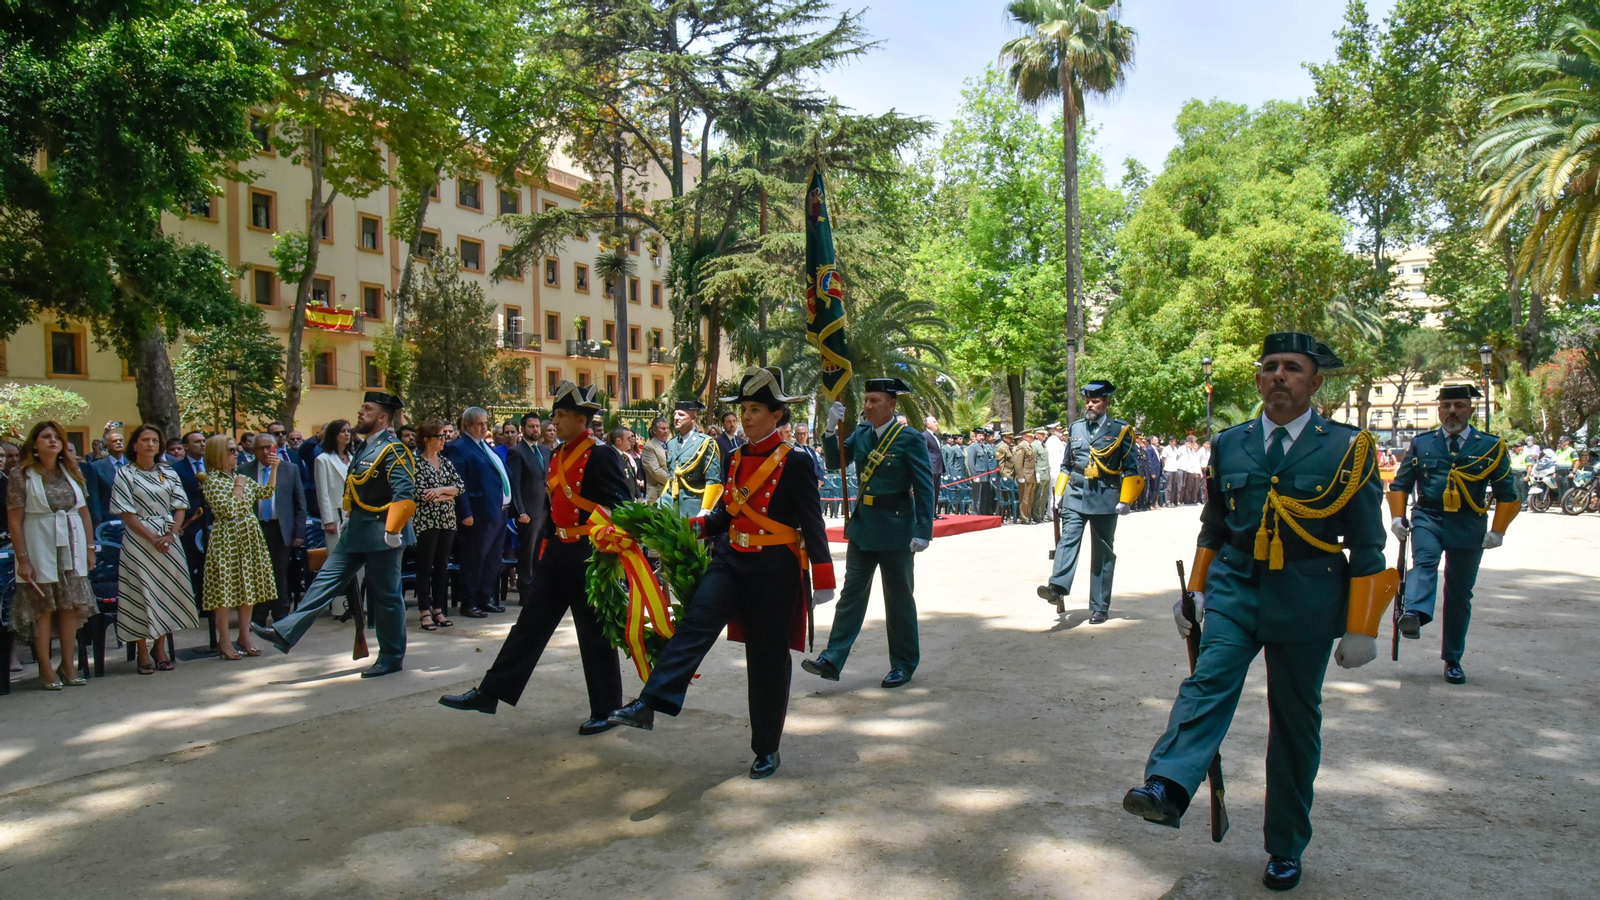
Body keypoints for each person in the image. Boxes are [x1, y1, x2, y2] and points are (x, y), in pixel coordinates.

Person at [1123, 332, 1390, 892]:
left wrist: (1362, 627)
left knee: (1294, 721)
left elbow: (1368, 542)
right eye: (1270, 366)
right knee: (1208, 682)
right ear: (1258, 378)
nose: (1279, 376)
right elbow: (1215, 526)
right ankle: (1167, 785)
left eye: (1292, 367)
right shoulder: (1230, 444)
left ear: (1315, 382)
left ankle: (1286, 845)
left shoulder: (1348, 448)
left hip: (1309, 595)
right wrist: (1196, 591)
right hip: (1237, 587)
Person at [609, 367, 835, 778]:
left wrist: (823, 575)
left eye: (755, 409)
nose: (746, 416)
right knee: (695, 625)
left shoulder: (797, 461)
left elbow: (811, 520)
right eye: (744, 408)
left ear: (776, 415)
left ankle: (766, 748)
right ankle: (650, 703)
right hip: (730, 559)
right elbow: (726, 513)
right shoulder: (735, 456)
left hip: (774, 568)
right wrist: (684, 527)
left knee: (766, 658)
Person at [438, 382, 629, 731]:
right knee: (529, 625)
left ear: (581, 419)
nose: (553, 421)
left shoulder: (601, 455)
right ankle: (491, 693)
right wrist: (545, 544)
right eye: (554, 414)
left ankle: (607, 709)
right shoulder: (556, 454)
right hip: (557, 551)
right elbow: (552, 506)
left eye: (561, 415)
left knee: (593, 633)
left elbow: (621, 506)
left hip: (588, 553)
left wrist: (607, 546)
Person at [252, 392, 417, 678]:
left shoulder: (393, 449)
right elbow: (354, 487)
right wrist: (348, 517)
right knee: (325, 580)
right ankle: (285, 631)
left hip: (382, 533)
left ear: (382, 417)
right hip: (357, 530)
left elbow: (404, 491)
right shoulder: (364, 447)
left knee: (386, 597)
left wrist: (393, 530)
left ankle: (391, 657)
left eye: (367, 409)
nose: (361, 412)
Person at [804, 377, 934, 688]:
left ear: (892, 404)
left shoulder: (909, 438)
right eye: (867, 400)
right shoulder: (862, 432)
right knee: (851, 595)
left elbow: (924, 485)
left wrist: (923, 531)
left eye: (875, 401)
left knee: (899, 599)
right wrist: (830, 431)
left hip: (896, 529)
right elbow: (836, 463)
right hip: (864, 527)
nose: (868, 406)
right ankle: (832, 658)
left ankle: (903, 664)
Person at [1389, 384, 1519, 684]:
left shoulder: (1490, 446)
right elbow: (1400, 484)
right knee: (1424, 562)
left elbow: (1507, 493)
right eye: (1446, 406)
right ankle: (1414, 614)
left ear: (1471, 409)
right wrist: (1396, 517)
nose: (1452, 411)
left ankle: (1452, 659)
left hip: (1468, 523)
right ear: (1439, 410)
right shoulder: (1422, 444)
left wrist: (1498, 531)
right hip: (1429, 517)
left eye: (1459, 405)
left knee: (1459, 594)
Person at [1037, 382, 1143, 624]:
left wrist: (1126, 500)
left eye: (1095, 401)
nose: (1090, 405)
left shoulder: (1121, 430)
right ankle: (1057, 587)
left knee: (1103, 551)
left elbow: (1130, 469)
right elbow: (1067, 465)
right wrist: (1059, 493)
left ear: (1106, 402)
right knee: (1068, 539)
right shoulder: (1076, 428)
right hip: (1075, 494)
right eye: (1087, 401)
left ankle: (1099, 606)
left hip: (1105, 496)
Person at [8, 421, 96, 689]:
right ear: (34, 444)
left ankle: (68, 664)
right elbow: (15, 521)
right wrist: (23, 558)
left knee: (70, 606)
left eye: (57, 437)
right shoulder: (21, 475)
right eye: (46, 436)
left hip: (72, 544)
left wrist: (90, 548)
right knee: (43, 607)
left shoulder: (73, 470)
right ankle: (45, 667)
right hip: (39, 543)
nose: (52, 441)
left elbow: (84, 513)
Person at [111, 424, 199, 673]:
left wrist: (171, 535)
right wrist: (151, 537)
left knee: (166, 592)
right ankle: (141, 650)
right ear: (135, 444)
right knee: (139, 593)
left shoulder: (168, 471)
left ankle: (159, 648)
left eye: (154, 440)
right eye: (145, 439)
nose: (150, 444)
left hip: (168, 539)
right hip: (139, 540)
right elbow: (125, 512)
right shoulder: (125, 473)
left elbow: (180, 506)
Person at [200, 434, 276, 659]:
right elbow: (229, 510)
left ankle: (245, 637)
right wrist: (239, 487)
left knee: (247, 589)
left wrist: (274, 469)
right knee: (225, 591)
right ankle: (224, 640)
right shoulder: (212, 481)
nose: (237, 454)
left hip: (248, 537)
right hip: (227, 540)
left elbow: (266, 493)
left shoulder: (238, 477)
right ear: (218, 454)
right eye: (232, 450)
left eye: (237, 450)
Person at [443, 407, 512, 617]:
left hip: (498, 511)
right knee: (474, 558)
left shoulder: (486, 446)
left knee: (492, 558)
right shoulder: (458, 448)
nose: (484, 428)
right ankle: (469, 601)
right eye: (479, 424)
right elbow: (459, 482)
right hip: (478, 513)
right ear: (467, 425)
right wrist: (465, 513)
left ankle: (484, 597)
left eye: (485, 423)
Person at [240, 433, 307, 626]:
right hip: (255, 527)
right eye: (260, 448)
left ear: (275, 448)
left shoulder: (290, 469)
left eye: (268, 447)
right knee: (257, 573)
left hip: (280, 528)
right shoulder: (243, 471)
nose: (265, 451)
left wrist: (299, 532)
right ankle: (258, 615)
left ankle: (281, 613)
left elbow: (299, 503)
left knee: (280, 572)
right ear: (253, 451)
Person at [413, 419, 464, 631]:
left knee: (442, 566)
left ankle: (438, 609)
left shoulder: (446, 462)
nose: (444, 440)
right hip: (427, 521)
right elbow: (421, 494)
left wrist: (440, 491)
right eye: (440, 436)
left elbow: (459, 487)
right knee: (425, 566)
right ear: (427, 439)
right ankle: (424, 611)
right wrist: (447, 493)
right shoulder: (416, 463)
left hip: (447, 520)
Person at [506, 411, 550, 608]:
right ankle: (526, 593)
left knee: (540, 553)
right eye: (531, 426)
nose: (535, 429)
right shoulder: (517, 452)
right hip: (528, 512)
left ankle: (537, 590)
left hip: (545, 510)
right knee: (527, 553)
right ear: (522, 429)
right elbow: (514, 484)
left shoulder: (545, 451)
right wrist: (520, 511)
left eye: (537, 426)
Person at [661, 400, 723, 518]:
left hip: (693, 507)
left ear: (693, 418)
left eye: (681, 414)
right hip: (671, 504)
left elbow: (712, 479)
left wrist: (706, 509)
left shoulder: (705, 442)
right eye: (675, 414)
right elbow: (672, 477)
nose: (676, 418)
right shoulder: (671, 444)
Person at [171, 431, 211, 609]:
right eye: (197, 442)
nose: (202, 444)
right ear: (185, 447)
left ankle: (208, 603)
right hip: (189, 524)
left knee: (209, 567)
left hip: (211, 522)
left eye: (203, 441)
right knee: (190, 565)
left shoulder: (213, 465)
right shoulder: (176, 469)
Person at [640, 416, 670, 502]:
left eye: (667, 428)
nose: (666, 431)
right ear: (654, 430)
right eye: (663, 428)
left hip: (671, 492)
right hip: (658, 494)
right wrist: (674, 481)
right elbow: (655, 471)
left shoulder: (671, 445)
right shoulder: (649, 447)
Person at [923, 416, 945, 519]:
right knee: (930, 492)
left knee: (936, 491)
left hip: (938, 467)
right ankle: (928, 513)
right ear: (928, 424)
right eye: (934, 422)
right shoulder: (925, 436)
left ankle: (933, 513)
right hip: (931, 467)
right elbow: (925, 452)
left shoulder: (935, 436)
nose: (936, 424)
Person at [1016, 430, 1039, 523]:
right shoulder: (1021, 446)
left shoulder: (1029, 446)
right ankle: (1024, 517)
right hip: (1025, 475)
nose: (1032, 438)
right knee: (1024, 498)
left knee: (1030, 498)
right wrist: (1020, 476)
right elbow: (1018, 462)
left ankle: (1029, 516)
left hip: (1031, 475)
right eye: (1030, 436)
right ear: (1025, 437)